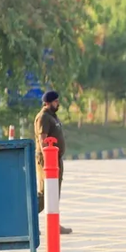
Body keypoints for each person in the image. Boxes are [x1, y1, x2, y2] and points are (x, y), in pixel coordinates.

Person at [34, 90, 72, 234]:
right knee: (45, 194)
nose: (58, 103)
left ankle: (54, 224)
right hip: (47, 160)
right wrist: (48, 161)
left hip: (56, 159)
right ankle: (28, 222)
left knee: (54, 192)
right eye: (55, 101)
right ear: (47, 103)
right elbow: (43, 139)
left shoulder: (52, 116)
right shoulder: (43, 117)